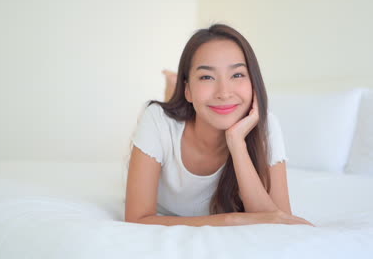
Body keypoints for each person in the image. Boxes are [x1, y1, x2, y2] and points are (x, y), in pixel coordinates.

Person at [124, 23, 315, 227]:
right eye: (207, 77)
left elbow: (277, 221)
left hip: (202, 108)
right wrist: (232, 219)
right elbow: (137, 218)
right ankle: (173, 86)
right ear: (187, 89)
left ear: (254, 82)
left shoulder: (267, 127)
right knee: (173, 111)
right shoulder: (157, 119)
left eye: (237, 75)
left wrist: (237, 143)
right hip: (177, 113)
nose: (224, 92)